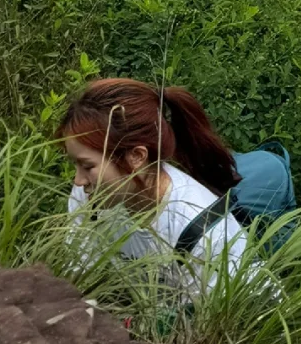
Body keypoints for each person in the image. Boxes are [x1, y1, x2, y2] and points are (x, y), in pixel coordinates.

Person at [60, 77, 248, 278]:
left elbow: (214, 311)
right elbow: (77, 278)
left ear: (137, 156)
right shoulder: (91, 198)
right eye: (76, 164)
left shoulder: (204, 233)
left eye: (88, 166)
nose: (78, 181)